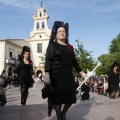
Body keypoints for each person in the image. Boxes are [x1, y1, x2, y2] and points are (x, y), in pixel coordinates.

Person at [44, 21, 87, 120]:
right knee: (57, 98)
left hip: (68, 74)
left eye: (64, 31)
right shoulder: (52, 45)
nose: (62, 33)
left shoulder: (69, 47)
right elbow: (48, 59)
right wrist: (47, 74)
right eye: (60, 31)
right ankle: (60, 117)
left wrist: (81, 72)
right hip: (56, 74)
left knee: (71, 97)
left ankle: (63, 113)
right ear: (56, 33)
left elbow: (74, 61)